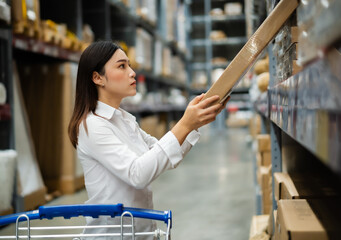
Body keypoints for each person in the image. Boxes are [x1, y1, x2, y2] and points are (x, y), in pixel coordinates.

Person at [68, 40, 229, 239]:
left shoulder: (123, 119)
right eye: (122, 66)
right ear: (97, 78)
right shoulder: (92, 126)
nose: (132, 72)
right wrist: (185, 124)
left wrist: (195, 123)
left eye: (129, 65)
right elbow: (138, 174)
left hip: (139, 232)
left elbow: (161, 152)